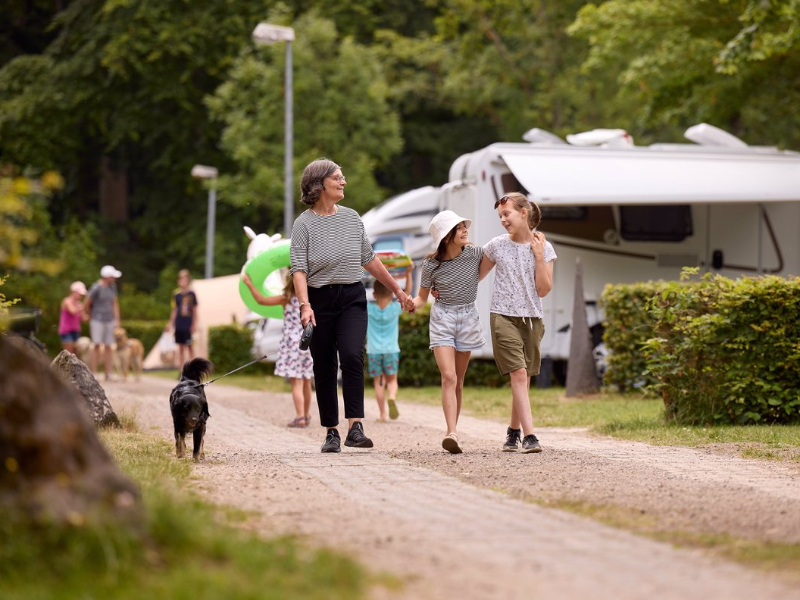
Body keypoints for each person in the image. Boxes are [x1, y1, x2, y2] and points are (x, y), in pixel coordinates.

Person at [290, 158, 415, 453]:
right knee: (324, 365)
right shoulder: (303, 224)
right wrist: (305, 306)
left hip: (351, 298)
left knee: (351, 356)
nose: (344, 181)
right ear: (319, 185)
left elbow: (369, 259)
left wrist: (397, 290)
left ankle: (355, 427)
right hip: (319, 300)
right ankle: (331, 432)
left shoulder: (352, 217)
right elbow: (298, 269)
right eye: (338, 178)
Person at [479, 192, 556, 454]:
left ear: (524, 212)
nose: (502, 220)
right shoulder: (496, 245)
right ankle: (530, 436)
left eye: (507, 214)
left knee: (522, 376)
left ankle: (512, 432)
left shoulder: (544, 248)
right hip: (503, 315)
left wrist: (538, 256)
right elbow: (476, 276)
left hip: (532, 319)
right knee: (519, 374)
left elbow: (544, 289)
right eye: (500, 216)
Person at [412, 210, 485, 454]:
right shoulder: (431, 264)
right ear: (446, 236)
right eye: (459, 227)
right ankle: (451, 432)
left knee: (459, 381)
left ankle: (454, 431)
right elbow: (422, 298)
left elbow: (484, 271)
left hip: (468, 316)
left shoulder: (475, 253)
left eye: (464, 226)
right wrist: (411, 303)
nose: (465, 230)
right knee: (449, 377)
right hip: (442, 316)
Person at [242, 271, 314, 428]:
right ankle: (307, 415)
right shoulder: (309, 301)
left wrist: (249, 283)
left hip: (291, 346)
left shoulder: (285, 300)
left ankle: (300, 417)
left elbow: (261, 300)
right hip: (306, 344)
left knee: (296, 383)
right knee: (307, 381)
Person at [367, 266, 413, 422]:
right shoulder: (395, 308)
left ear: (374, 294)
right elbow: (406, 294)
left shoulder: (368, 309)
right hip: (391, 350)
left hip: (373, 351)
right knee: (392, 380)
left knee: (379, 382)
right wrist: (407, 273)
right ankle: (392, 396)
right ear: (392, 293)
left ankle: (382, 415)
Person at [84, 265, 121, 380]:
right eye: (112, 276)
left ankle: (108, 373)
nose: (114, 279)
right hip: (97, 320)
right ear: (107, 276)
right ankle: (94, 372)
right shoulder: (96, 288)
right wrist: (90, 316)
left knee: (108, 346)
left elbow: (114, 303)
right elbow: (87, 303)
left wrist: (117, 319)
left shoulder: (112, 287)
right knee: (96, 345)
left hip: (109, 320)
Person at [165, 269, 198, 367]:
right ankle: (181, 370)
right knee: (180, 348)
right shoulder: (176, 295)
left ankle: (193, 369)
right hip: (179, 324)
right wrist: (170, 323)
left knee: (190, 346)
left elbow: (195, 310)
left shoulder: (192, 294)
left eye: (184, 279)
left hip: (188, 324)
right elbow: (174, 310)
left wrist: (194, 324)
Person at [58, 281, 87, 354]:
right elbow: (72, 311)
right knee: (69, 352)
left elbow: (84, 319)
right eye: (79, 294)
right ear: (74, 292)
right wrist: (82, 307)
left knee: (75, 353)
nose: (81, 296)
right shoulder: (67, 301)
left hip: (76, 330)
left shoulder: (79, 304)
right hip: (66, 330)